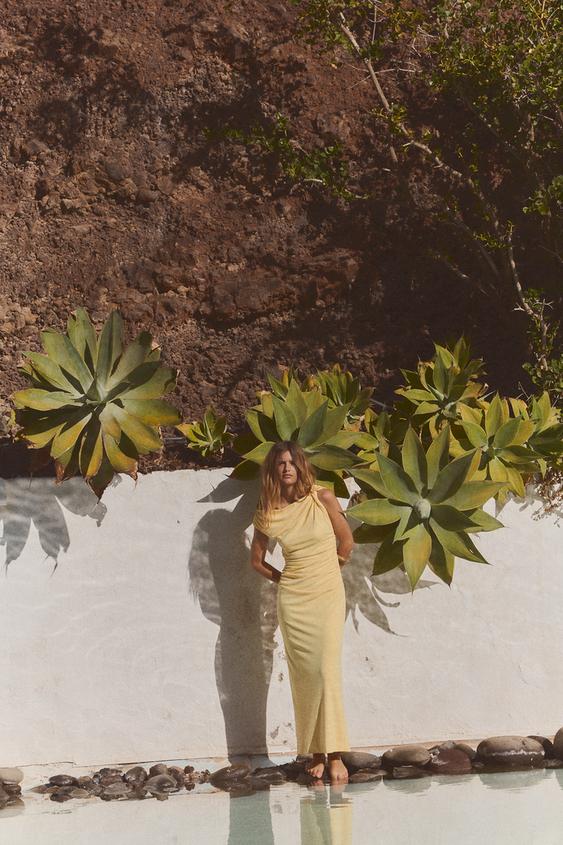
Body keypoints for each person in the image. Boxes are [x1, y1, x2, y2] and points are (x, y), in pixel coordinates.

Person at [250, 440, 354, 783]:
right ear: (273, 469)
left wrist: (329, 569)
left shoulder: (322, 498)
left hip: (327, 593)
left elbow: (346, 542)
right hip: (294, 600)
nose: (287, 468)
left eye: (292, 462)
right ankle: (316, 754)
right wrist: (286, 580)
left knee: (326, 670)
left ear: (301, 465)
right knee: (306, 677)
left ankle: (335, 754)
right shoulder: (268, 511)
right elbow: (257, 561)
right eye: (280, 463)